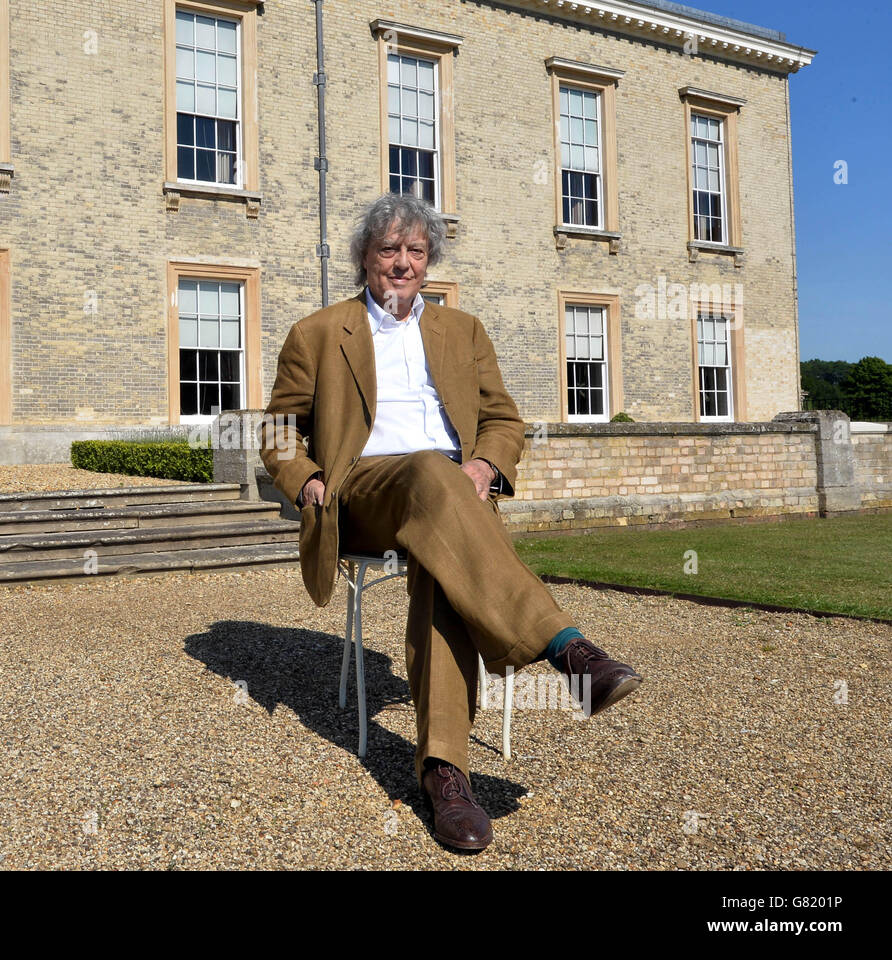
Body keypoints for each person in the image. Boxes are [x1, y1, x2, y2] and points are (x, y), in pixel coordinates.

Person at [258, 192, 642, 853]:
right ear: (365, 259)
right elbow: (275, 427)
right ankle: (567, 648)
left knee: (441, 556)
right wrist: (305, 479)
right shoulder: (319, 331)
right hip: (365, 493)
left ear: (429, 261)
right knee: (431, 472)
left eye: (415, 251)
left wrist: (487, 469)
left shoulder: (462, 332)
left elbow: (502, 421)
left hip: (451, 502)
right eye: (389, 251)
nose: (402, 263)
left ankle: (445, 775)